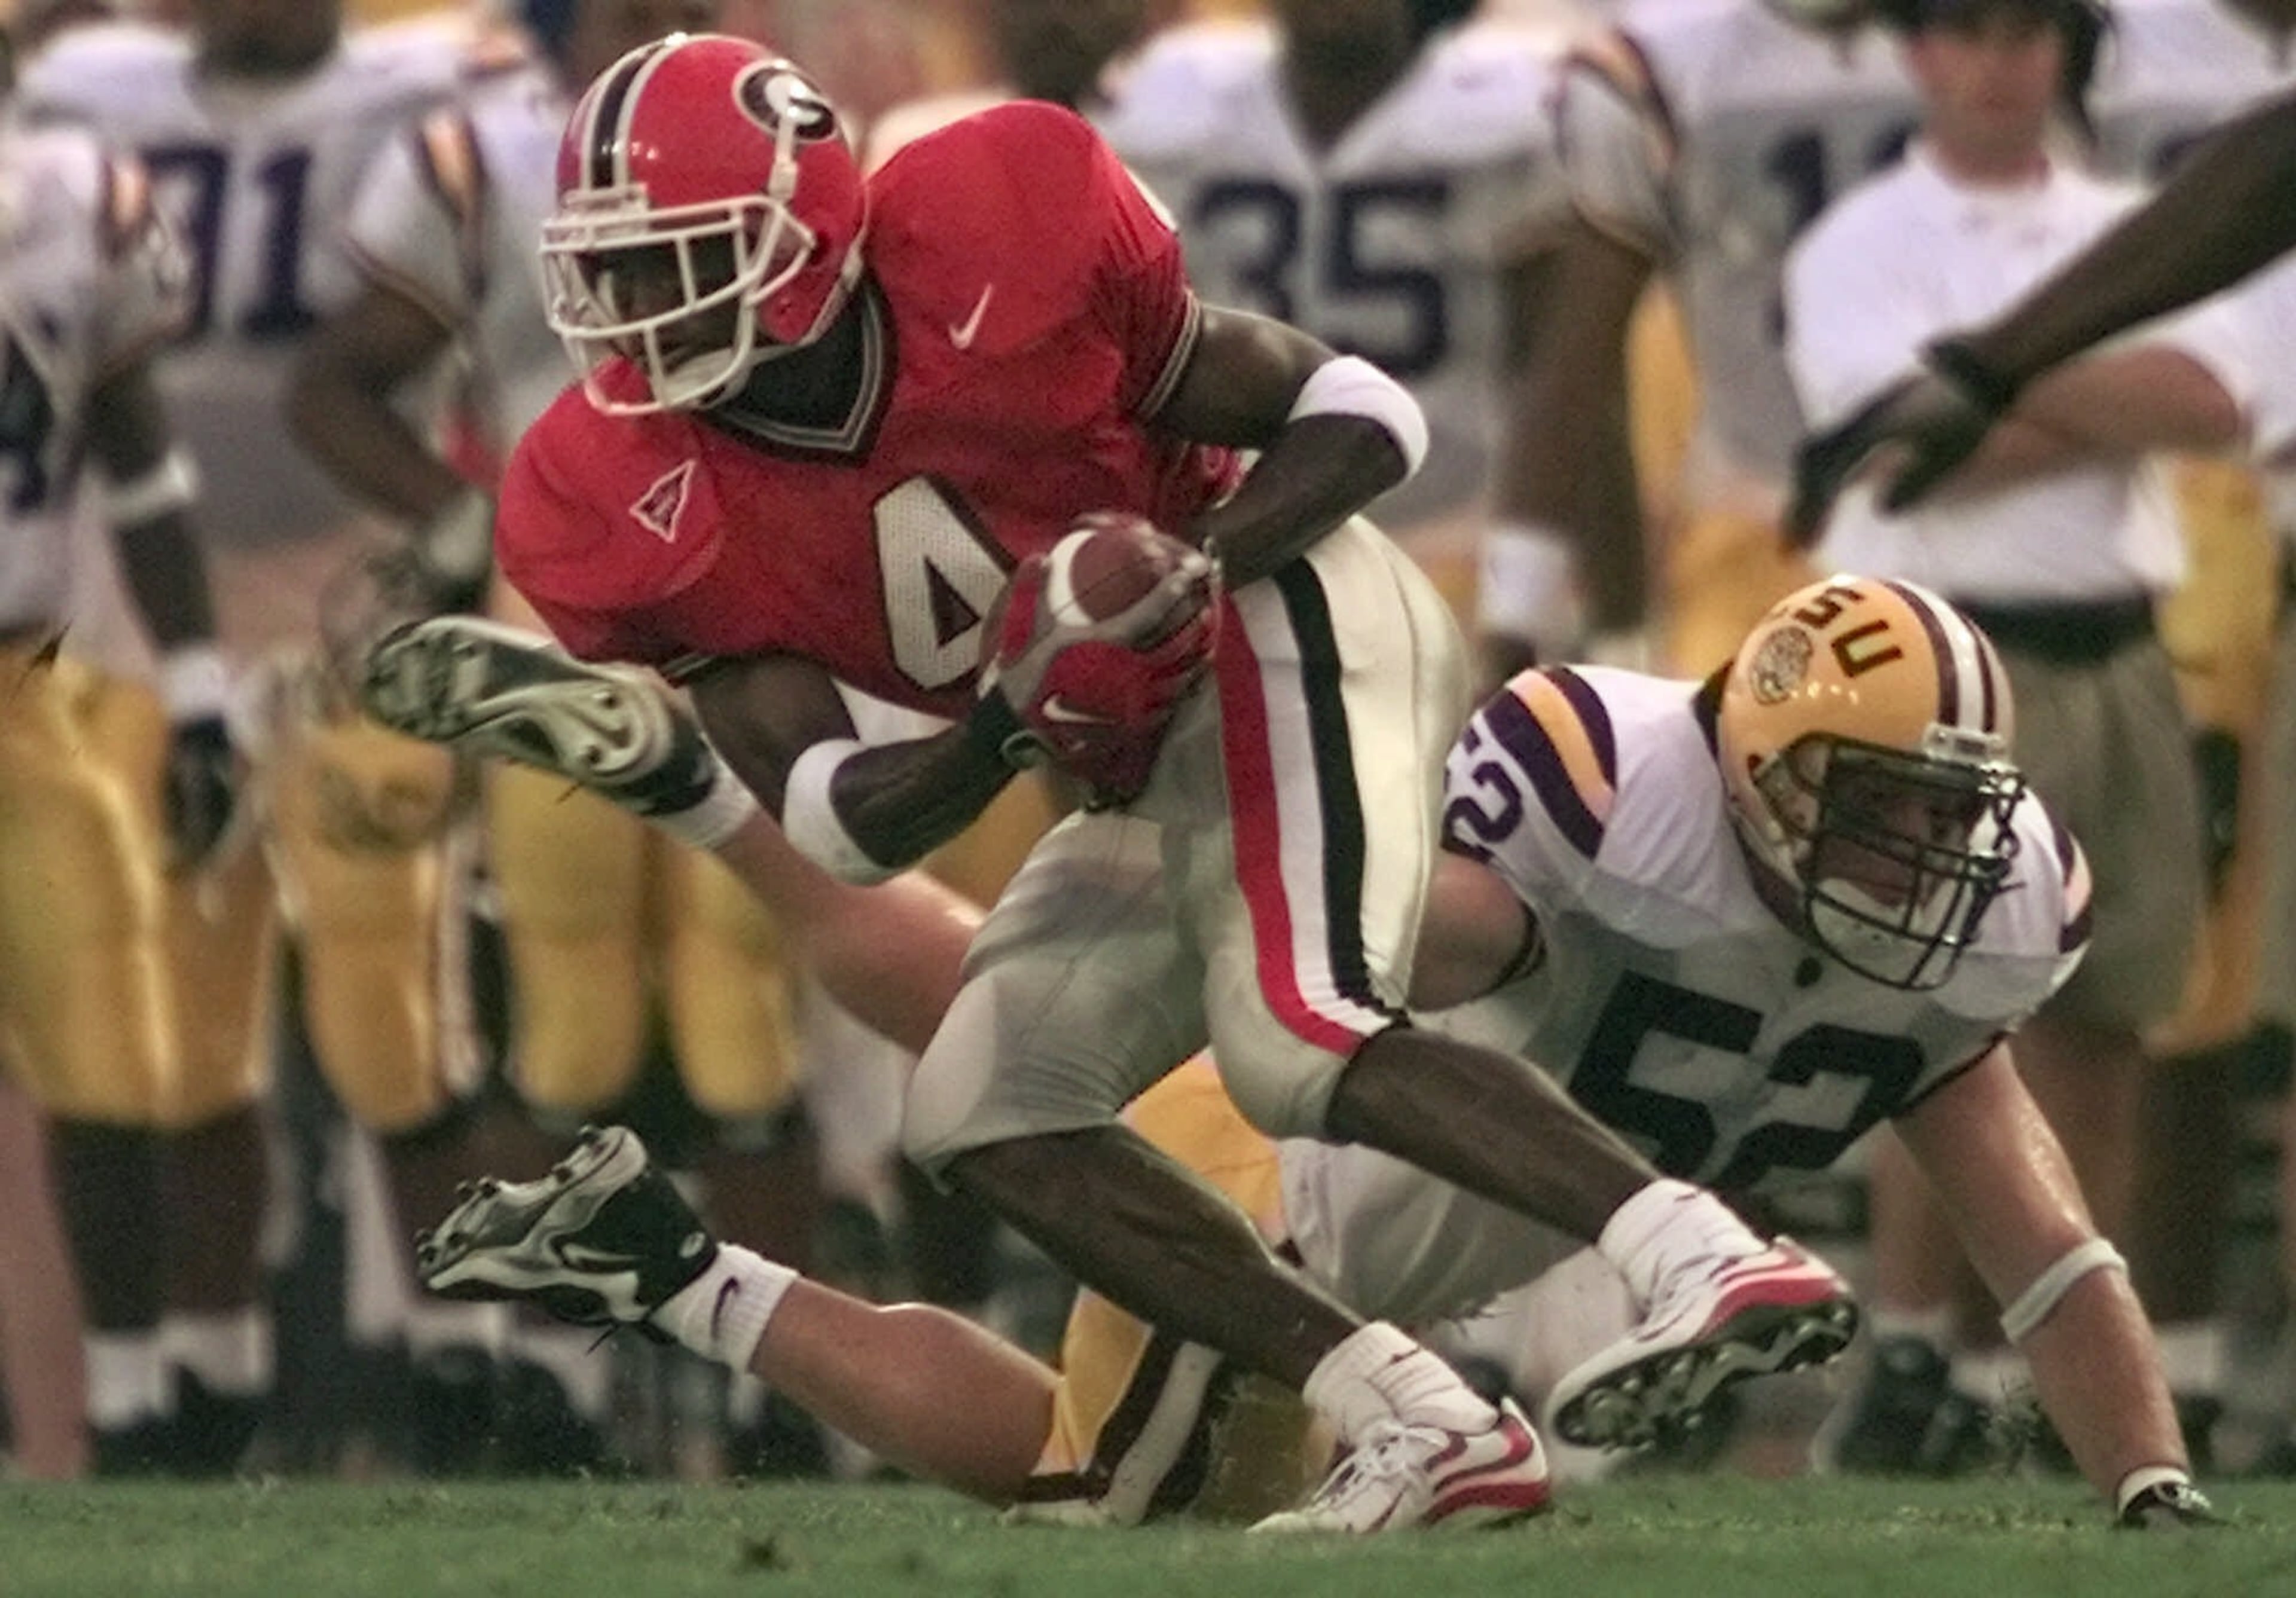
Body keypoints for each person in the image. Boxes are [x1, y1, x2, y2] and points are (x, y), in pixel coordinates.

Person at [361, 32, 1858, 1531]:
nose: (639, 315)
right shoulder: (605, 490)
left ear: (807, 225)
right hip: (1112, 747)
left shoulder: (992, 232)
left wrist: (1177, 583)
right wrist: (1007, 719)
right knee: (976, 1102)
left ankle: (1700, 1252)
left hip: (1287, 613)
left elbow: (1358, 410)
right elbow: (835, 818)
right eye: (613, 274)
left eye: (681, 259)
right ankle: (1415, 1410)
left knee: (1294, 1033)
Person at [374, 573, 2216, 1526]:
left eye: (1941, 818)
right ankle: (671, 1270)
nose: (1921, 861)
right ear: (1750, 767)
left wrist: (2149, 1489)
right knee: (1088, 1485)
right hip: (1291, 1190)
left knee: (984, 1011)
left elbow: (2045, 1255)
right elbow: (1374, 947)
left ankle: (703, 798)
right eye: (1873, 811)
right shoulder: (1613, 792)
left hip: (1321, 1160)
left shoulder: (1967, 940)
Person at [15, 0, 525, 1471]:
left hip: (355, 606)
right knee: (177, 1037)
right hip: (141, 624)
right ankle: (204, 1377)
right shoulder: (88, 90)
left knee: (387, 1006)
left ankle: (464, 1361)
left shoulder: (433, 83)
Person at [1782, 0, 2254, 1474]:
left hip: (2115, 635)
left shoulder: (2134, 217)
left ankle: (2036, 1367)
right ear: (1915, 53)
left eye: (2030, 34)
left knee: (2107, 1010)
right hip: (1938, 655)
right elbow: (1891, 441)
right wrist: (2090, 396)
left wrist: (1990, 368)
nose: (2001, 64)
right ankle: (1915, 1340)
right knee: (1940, 1022)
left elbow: (2214, 398)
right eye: (1967, 32)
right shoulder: (1855, 231)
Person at [0, 34, 239, 1469]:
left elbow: (142, 464)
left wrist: (201, 690)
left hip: (28, 692)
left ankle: (135, 1403)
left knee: (111, 1050)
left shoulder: (72, 195)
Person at [1094, 0, 1570, 622]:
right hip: (1244, 552)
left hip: (1447, 555)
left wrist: (1524, 596)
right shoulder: (1177, 94)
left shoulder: (1507, 106)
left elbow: (1555, 374)